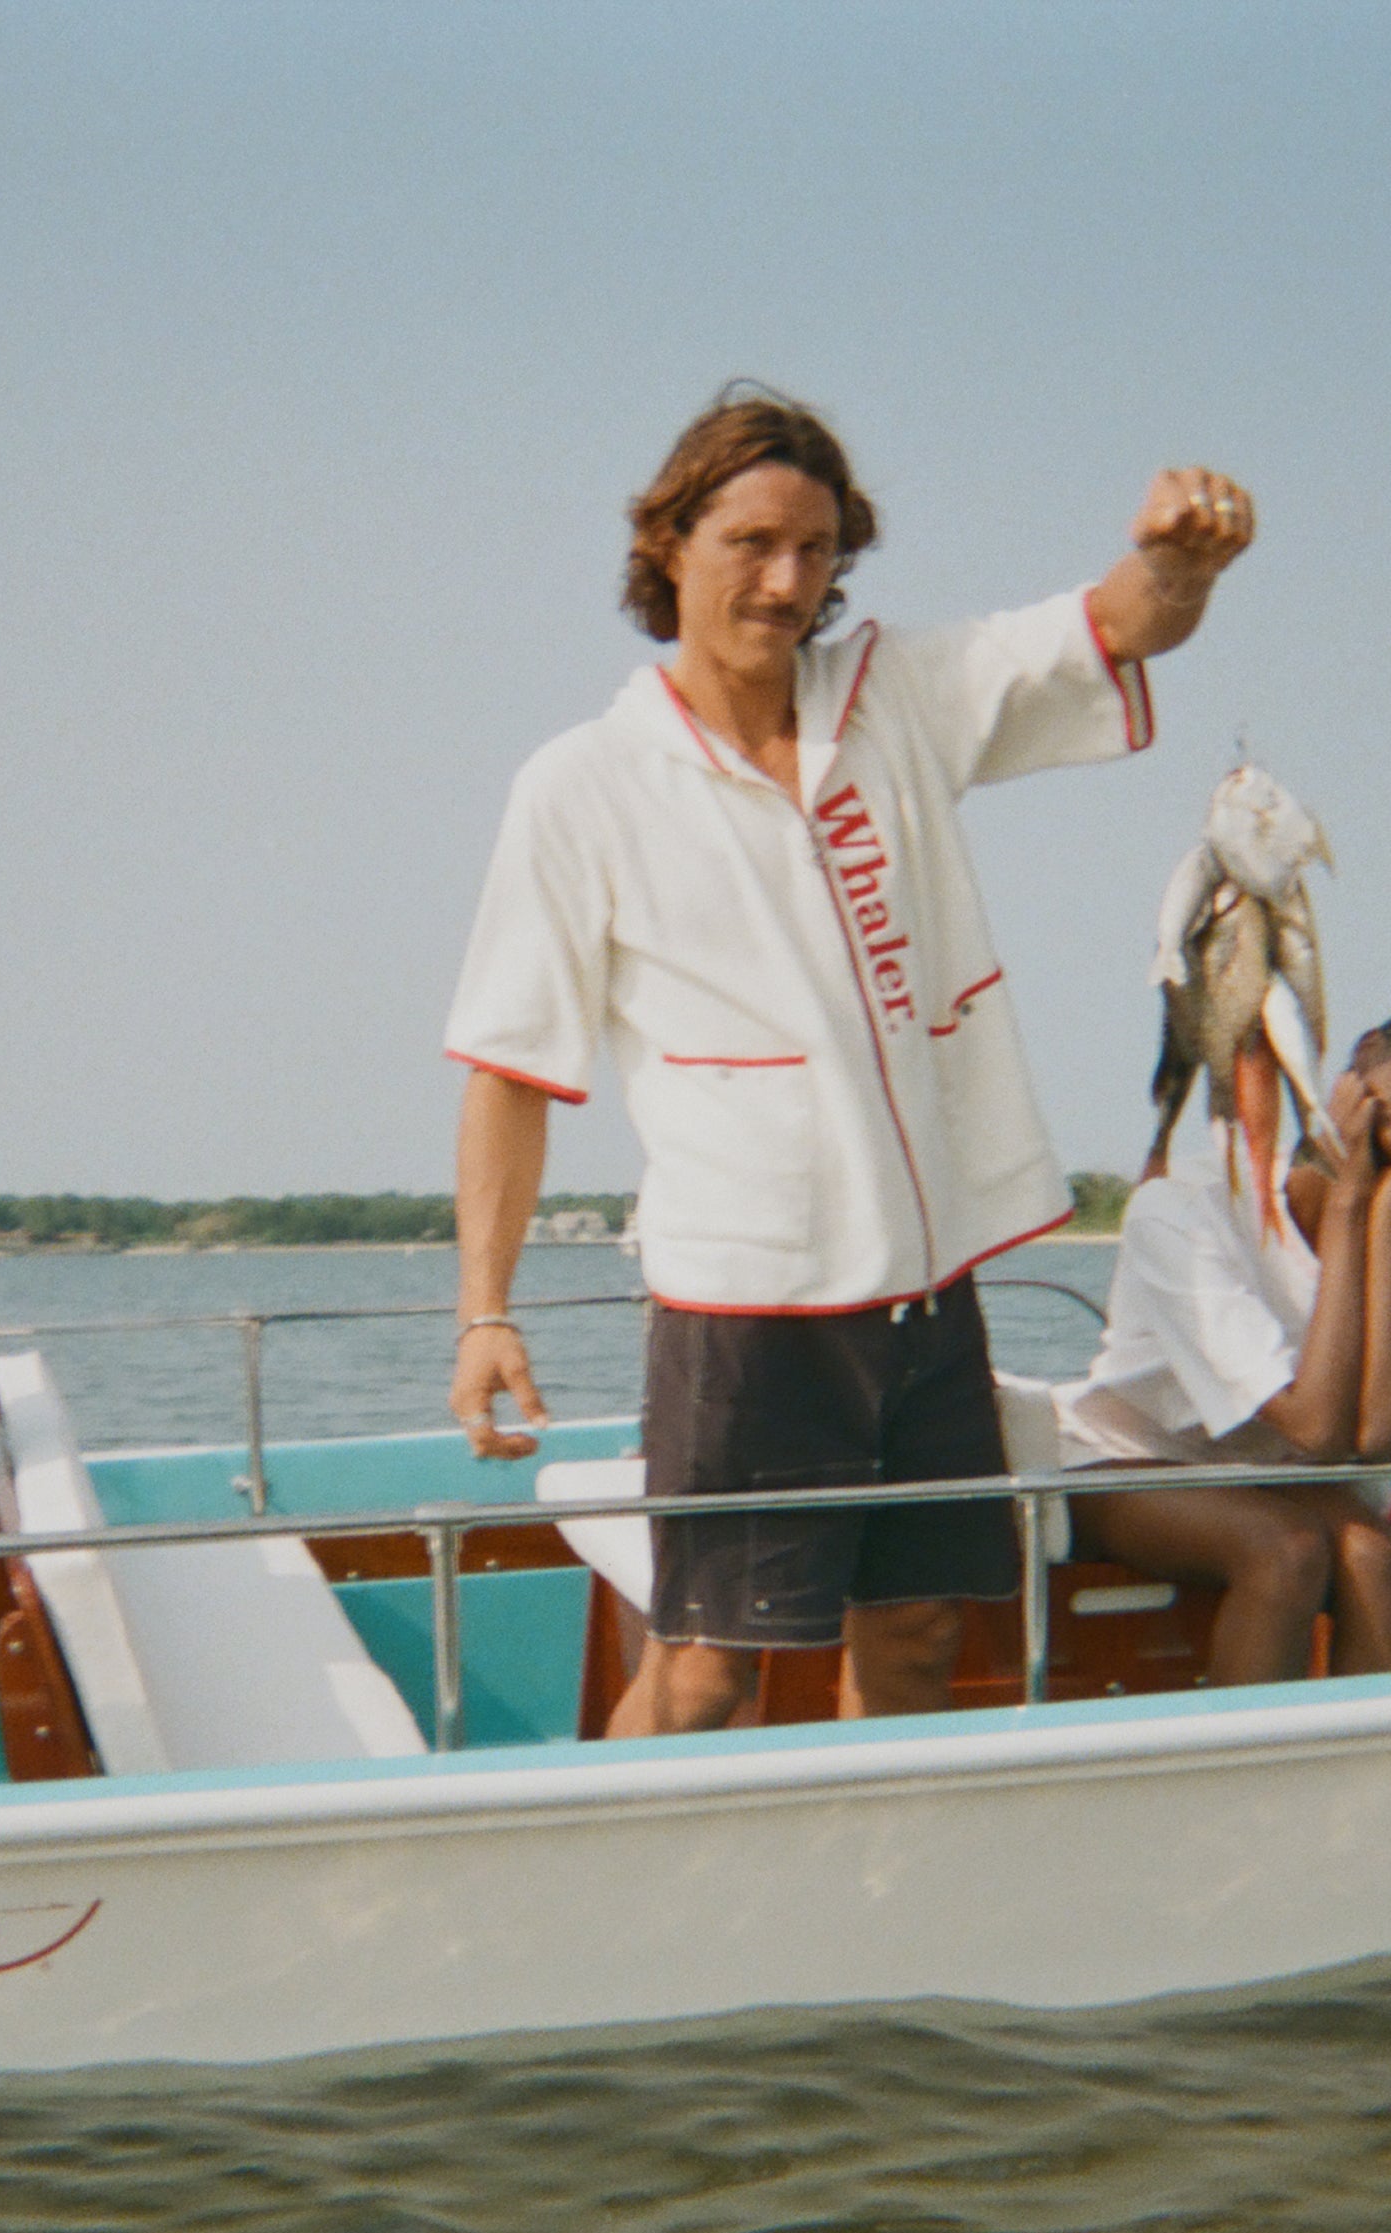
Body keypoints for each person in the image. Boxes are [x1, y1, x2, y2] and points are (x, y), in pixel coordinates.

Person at [443, 385, 1255, 1734]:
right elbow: (508, 1071)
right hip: (745, 1309)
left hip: (923, 1289)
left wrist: (1181, 561)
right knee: (704, 1665)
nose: (785, 580)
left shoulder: (896, 696)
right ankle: (599, 1890)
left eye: (815, 550)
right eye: (749, 542)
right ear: (668, 543)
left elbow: (1120, 620)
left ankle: (887, 1904)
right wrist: (483, 1312)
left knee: (924, 1629)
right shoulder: (580, 783)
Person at [1054, 1005, 1391, 1681]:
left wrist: (1381, 1207)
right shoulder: (1186, 1204)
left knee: (1376, 1556)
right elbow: (1316, 1430)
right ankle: (1242, 1782)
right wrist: (1350, 1199)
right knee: (1285, 1550)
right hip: (1130, 1457)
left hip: (1281, 1473)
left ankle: (1380, 1778)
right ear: (1367, 1054)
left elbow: (1377, 1439)